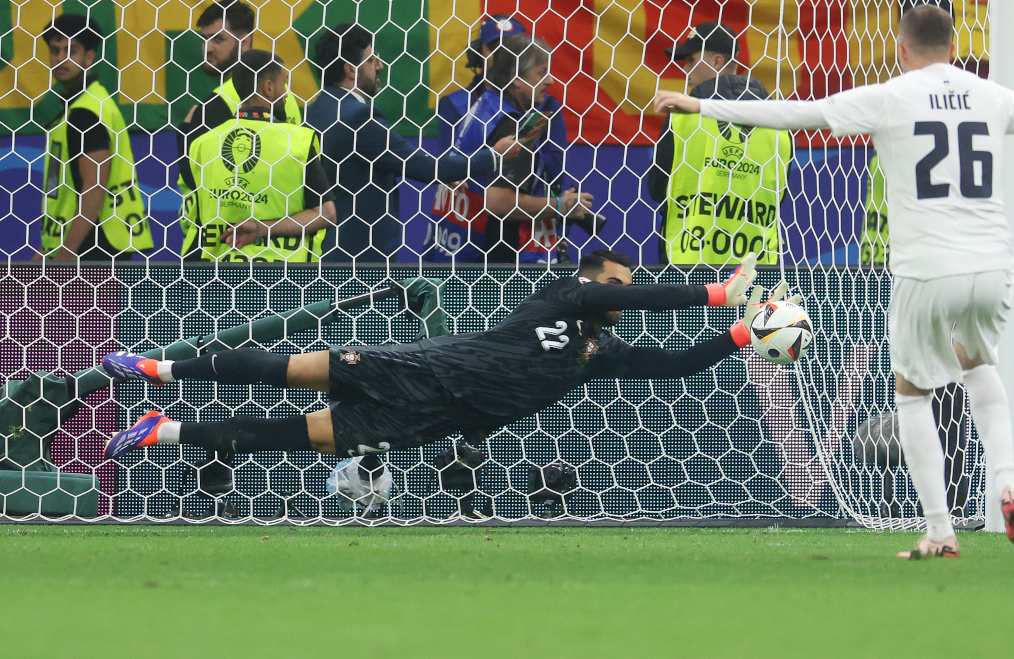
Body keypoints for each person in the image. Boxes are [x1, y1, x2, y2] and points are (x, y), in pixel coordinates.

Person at [654, 5, 1014, 558]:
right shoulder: (993, 96)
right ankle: (1007, 482)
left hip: (925, 268)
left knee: (911, 393)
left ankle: (938, 530)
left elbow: (798, 113)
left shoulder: (890, 96)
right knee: (981, 365)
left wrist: (696, 102)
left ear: (903, 50)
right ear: (953, 47)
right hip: (993, 265)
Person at [100, 250, 781, 465]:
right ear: (591, 282)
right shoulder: (556, 301)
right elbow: (649, 300)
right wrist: (720, 292)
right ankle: (157, 368)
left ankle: (163, 428)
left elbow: (675, 367)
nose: (623, 295)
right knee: (284, 369)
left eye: (624, 289)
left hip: (429, 417)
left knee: (286, 438)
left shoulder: (598, 353)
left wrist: (747, 334)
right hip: (420, 368)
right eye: (617, 284)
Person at [305, 23, 519, 263]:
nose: (379, 66)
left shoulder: (312, 113)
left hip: (317, 252)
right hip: (357, 257)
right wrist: (495, 155)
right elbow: (425, 168)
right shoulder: (359, 117)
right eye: (372, 60)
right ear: (351, 70)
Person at [424, 35, 593, 265]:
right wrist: (561, 207)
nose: (551, 81)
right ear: (516, 80)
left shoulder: (484, 107)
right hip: (495, 261)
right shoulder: (512, 124)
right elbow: (498, 201)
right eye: (541, 73)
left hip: (455, 249)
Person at [647, 22, 792, 266]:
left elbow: (657, 188)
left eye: (691, 59)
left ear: (716, 61)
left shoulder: (683, 117)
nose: (685, 68)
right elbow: (779, 196)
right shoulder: (778, 124)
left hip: (689, 262)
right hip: (757, 265)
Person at [181, 50, 336, 262]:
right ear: (269, 87)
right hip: (284, 279)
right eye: (284, 84)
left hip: (217, 276)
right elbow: (326, 213)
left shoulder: (202, 144)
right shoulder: (299, 141)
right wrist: (261, 229)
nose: (287, 93)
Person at [178, 0, 303, 252]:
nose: (207, 48)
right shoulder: (285, 97)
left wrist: (185, 134)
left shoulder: (216, 105)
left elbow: (198, 180)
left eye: (218, 39)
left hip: (220, 246)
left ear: (245, 42)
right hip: (283, 244)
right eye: (204, 39)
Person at [35, 13, 154, 263]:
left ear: (89, 56)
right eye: (55, 51)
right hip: (85, 243)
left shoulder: (86, 113)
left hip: (94, 247)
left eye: (71, 50)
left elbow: (94, 188)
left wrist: (65, 256)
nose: (60, 59)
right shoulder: (87, 104)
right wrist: (48, 250)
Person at [434, 14, 527, 159]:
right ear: (477, 53)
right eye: (494, 48)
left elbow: (555, 170)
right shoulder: (455, 104)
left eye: (512, 48)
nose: (502, 55)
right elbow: (448, 168)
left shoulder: (545, 104)